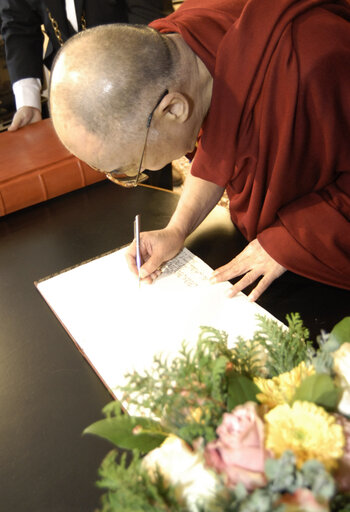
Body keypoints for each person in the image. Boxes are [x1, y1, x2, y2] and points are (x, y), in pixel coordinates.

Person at [49, 0, 350, 301]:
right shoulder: (185, 55)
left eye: (132, 165)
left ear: (174, 109)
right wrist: (177, 229)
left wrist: (292, 240)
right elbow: (220, 144)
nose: (139, 173)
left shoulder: (314, 61)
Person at [0, 0, 177, 189]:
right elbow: (18, 23)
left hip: (134, 74)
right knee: (84, 186)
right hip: (69, 81)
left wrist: (125, 89)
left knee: (147, 183)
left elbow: (150, 17)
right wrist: (28, 102)